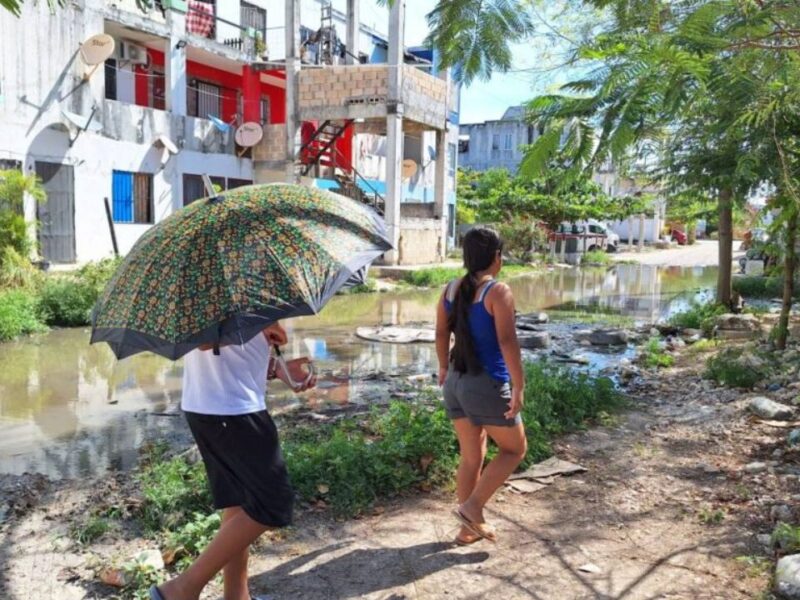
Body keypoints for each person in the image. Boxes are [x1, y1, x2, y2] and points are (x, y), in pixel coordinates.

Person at [151, 322, 316, 600]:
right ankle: (181, 590)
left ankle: (236, 596)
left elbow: (230, 354)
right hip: (230, 410)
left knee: (240, 502)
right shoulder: (210, 281)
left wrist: (276, 367)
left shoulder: (236, 285)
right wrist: (261, 324)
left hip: (219, 405)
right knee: (274, 503)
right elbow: (203, 339)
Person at [435, 227, 527, 545]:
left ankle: (467, 528)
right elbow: (507, 341)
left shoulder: (450, 289)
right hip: (486, 384)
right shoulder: (497, 292)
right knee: (515, 448)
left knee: (472, 455)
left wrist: (444, 367)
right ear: (497, 257)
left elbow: (439, 333)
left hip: (455, 384)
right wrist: (518, 385)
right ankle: (471, 508)